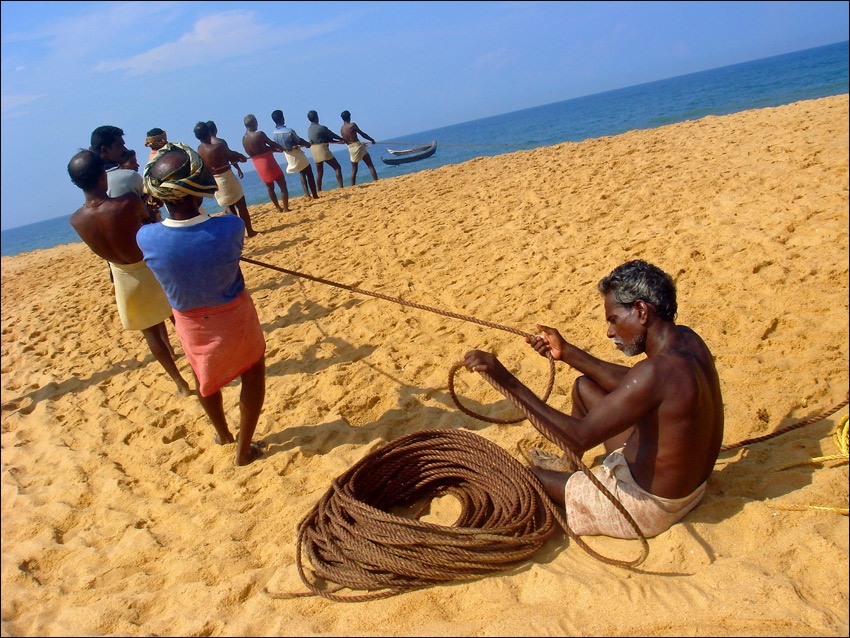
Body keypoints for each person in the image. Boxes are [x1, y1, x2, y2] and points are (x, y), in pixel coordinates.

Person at [462, 260, 724, 539]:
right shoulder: (687, 340)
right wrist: (567, 352)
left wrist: (507, 381)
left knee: (530, 477)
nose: (610, 332)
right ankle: (569, 466)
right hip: (690, 489)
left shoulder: (654, 373)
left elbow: (578, 437)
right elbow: (635, 384)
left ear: (640, 311)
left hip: (647, 507)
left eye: (613, 319)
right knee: (585, 388)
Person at [138, 142, 267, 466]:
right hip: (235, 316)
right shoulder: (230, 226)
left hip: (190, 324)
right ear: (198, 190)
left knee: (204, 378)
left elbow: (161, 227)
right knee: (252, 375)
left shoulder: (146, 237)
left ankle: (223, 434)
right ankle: (243, 450)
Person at [67, 149, 192, 398]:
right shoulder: (126, 202)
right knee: (179, 319)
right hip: (148, 265)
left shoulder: (76, 220)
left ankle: (180, 384)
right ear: (103, 176)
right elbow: (147, 220)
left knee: (151, 331)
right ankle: (199, 367)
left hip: (122, 274)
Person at [194, 121, 257, 237]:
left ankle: (239, 234)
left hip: (216, 182)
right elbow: (231, 154)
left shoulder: (199, 150)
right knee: (241, 205)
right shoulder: (217, 147)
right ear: (208, 133)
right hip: (226, 178)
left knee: (231, 207)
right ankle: (250, 231)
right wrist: (241, 157)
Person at [241, 114, 290, 213]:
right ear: (254, 123)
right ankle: (285, 207)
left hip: (258, 164)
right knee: (282, 184)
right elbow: (271, 143)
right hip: (268, 161)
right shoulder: (259, 134)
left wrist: (274, 150)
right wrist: (281, 148)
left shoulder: (244, 139)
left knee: (269, 187)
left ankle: (277, 207)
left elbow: (260, 149)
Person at [271, 109, 318, 200]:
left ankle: (307, 194)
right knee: (309, 172)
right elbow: (298, 140)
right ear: (282, 118)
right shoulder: (289, 131)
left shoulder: (274, 134)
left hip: (288, 156)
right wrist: (307, 144)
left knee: (302, 172)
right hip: (296, 153)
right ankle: (314, 195)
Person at [306, 110, 345, 192]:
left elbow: (327, 139)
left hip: (314, 150)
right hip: (322, 149)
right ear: (317, 117)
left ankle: (319, 190)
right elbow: (331, 135)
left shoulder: (309, 129)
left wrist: (338, 142)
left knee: (319, 172)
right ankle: (341, 187)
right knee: (337, 167)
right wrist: (341, 139)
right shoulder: (321, 128)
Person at [340, 110, 379, 186]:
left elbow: (347, 141)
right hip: (358, 146)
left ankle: (352, 185)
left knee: (354, 170)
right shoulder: (352, 125)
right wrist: (371, 140)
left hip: (351, 148)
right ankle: (376, 181)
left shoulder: (342, 129)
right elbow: (362, 134)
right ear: (349, 117)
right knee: (370, 165)